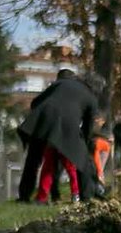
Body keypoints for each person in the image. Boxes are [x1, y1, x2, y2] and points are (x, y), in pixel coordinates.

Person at [16, 71, 99, 205]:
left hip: (42, 118)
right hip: (67, 125)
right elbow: (88, 127)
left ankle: (24, 195)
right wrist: (84, 143)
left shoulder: (61, 83)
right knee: (82, 160)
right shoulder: (91, 98)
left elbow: (35, 102)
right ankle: (86, 196)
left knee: (33, 159)